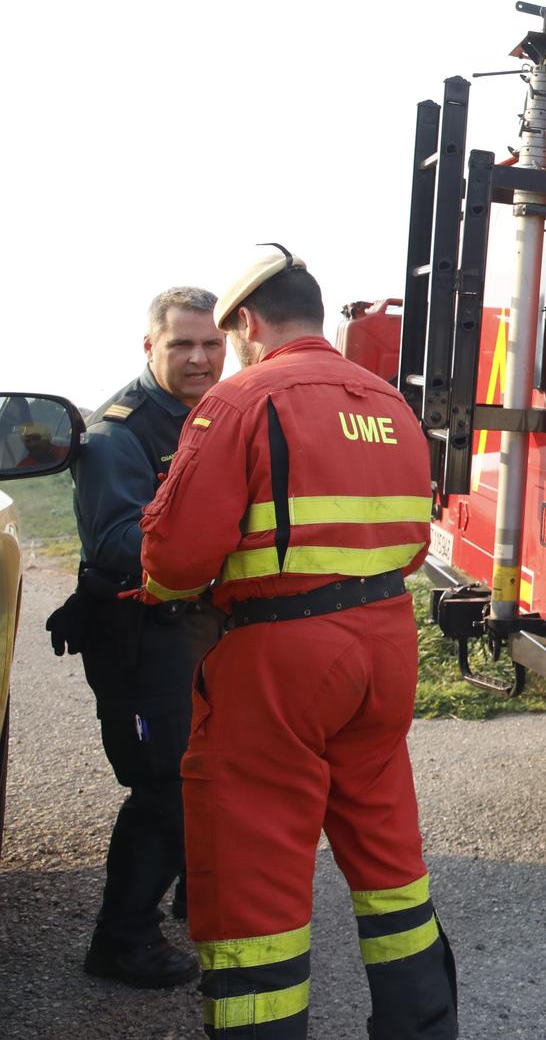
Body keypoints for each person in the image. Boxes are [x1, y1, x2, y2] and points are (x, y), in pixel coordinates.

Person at [138, 246, 457, 1040]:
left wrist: (172, 597)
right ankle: (422, 1025)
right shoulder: (387, 401)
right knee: (390, 860)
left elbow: (174, 559)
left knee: (256, 870)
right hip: (383, 645)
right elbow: (413, 544)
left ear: (247, 323)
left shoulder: (240, 400)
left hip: (278, 656)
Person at [43, 286, 226, 988]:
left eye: (211, 343)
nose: (200, 357)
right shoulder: (118, 433)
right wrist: (220, 544)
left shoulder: (214, 414)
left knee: (208, 771)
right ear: (149, 347)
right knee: (163, 786)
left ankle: (193, 889)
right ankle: (120, 940)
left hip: (200, 629)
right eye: (182, 344)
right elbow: (120, 539)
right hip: (139, 631)